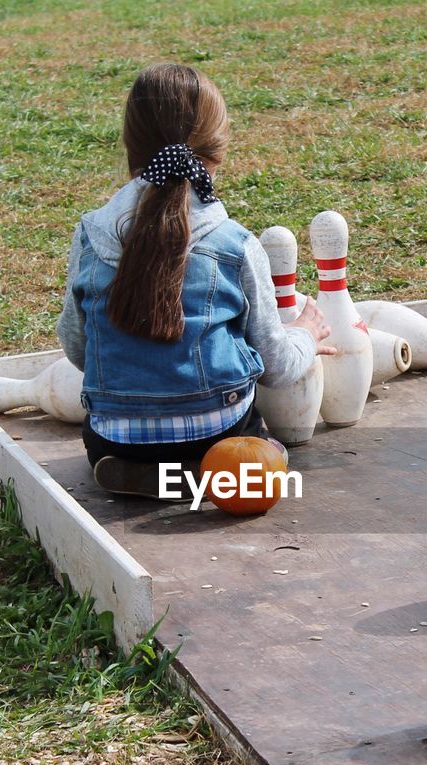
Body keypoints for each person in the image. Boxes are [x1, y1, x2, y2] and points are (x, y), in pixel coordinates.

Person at [57, 63, 332, 500]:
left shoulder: (91, 234)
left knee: (121, 441)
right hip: (216, 436)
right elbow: (276, 366)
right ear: (218, 148)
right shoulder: (235, 244)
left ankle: (145, 474)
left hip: (113, 441)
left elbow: (76, 348)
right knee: (269, 452)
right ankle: (205, 474)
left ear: (131, 144)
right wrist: (305, 334)